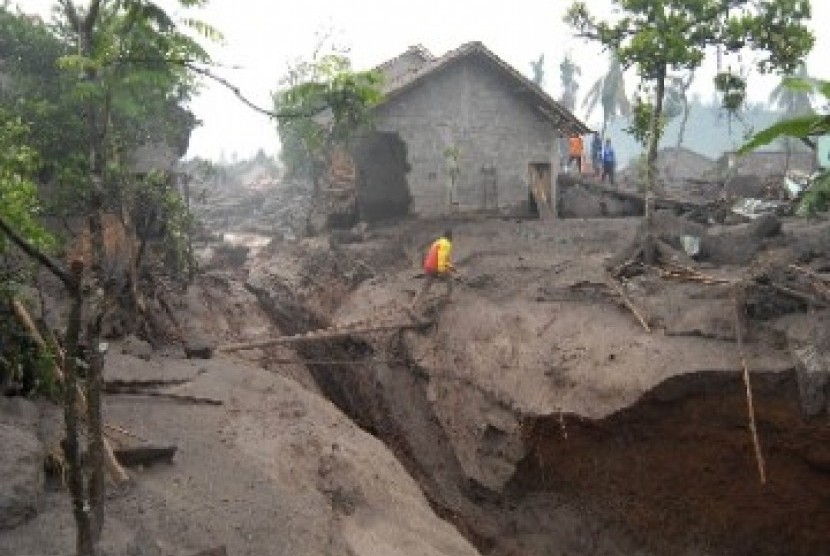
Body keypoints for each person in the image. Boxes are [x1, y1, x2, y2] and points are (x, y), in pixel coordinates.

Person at [411, 229, 455, 310]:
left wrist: (450, 266)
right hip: (436, 267)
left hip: (428, 267)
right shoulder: (446, 244)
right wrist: (442, 271)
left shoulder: (437, 242)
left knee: (425, 287)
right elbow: (441, 258)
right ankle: (448, 299)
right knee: (450, 281)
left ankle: (414, 304)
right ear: (450, 237)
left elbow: (438, 257)